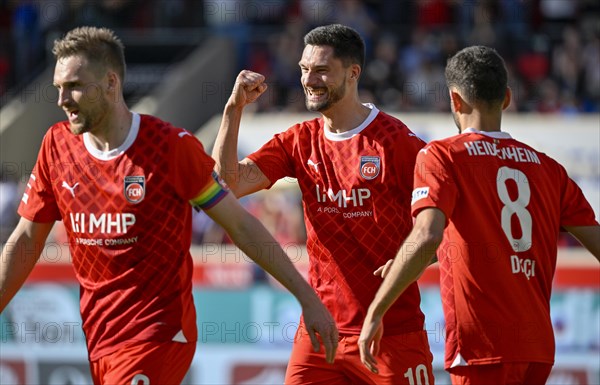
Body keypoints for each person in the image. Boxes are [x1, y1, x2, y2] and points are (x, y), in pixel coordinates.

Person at [0, 26, 338, 385]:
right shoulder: (57, 146)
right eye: (58, 88)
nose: (62, 99)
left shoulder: (168, 147)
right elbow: (26, 239)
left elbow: (239, 224)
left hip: (160, 335)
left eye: (74, 86)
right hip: (101, 342)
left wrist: (307, 298)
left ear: (111, 83)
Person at [358, 45, 600, 385]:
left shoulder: (441, 156)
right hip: (537, 349)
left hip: (481, 346)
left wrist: (376, 310)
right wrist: (406, 260)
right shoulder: (549, 168)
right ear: (507, 98)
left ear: (455, 101)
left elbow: (428, 235)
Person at [212, 24, 434, 385]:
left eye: (321, 70)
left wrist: (415, 257)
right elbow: (226, 185)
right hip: (320, 330)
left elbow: (450, 227)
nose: (309, 80)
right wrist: (233, 109)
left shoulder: (396, 143)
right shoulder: (300, 140)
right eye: (303, 69)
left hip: (391, 333)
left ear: (353, 72)